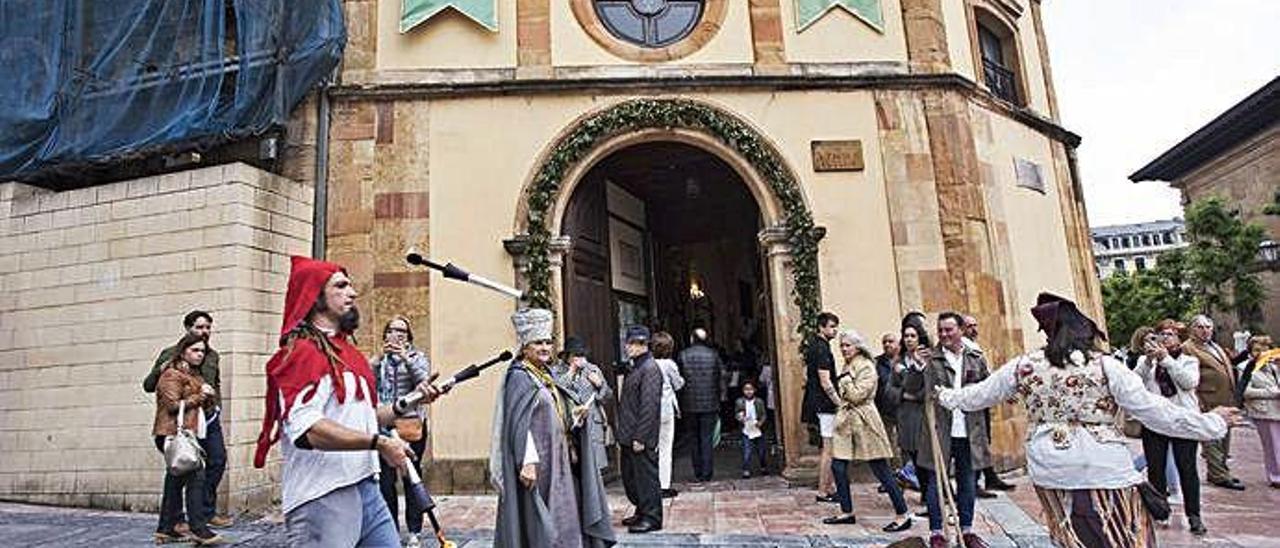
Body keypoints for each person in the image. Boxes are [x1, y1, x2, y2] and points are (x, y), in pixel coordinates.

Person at [939, 293, 1238, 548]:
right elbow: (1156, 412)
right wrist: (1213, 423)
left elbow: (977, 396)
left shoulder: (1023, 366)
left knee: (1071, 537)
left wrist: (944, 396)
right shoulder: (1107, 366)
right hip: (1104, 469)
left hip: (1051, 468)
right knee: (1122, 537)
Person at [251, 256, 442, 547]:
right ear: (315, 298)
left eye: (351, 285)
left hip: (366, 486)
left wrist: (413, 400)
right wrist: (379, 443)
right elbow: (308, 430)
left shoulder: (348, 354)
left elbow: (366, 417)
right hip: (322, 494)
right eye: (340, 286)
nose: (353, 293)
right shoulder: (302, 354)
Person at [490, 309, 615, 548]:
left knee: (565, 514)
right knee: (544, 519)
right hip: (538, 463)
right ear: (525, 346)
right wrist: (526, 462)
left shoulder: (546, 374)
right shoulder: (519, 377)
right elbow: (518, 424)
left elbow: (556, 410)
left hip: (559, 459)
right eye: (538, 342)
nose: (545, 347)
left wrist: (575, 416)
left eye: (548, 342)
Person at [902, 312, 992, 548]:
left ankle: (967, 530)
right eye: (940, 330)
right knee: (934, 480)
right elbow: (911, 390)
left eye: (948, 330)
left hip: (969, 430)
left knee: (967, 480)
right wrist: (916, 366)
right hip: (939, 430)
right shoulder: (931, 359)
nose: (943, 334)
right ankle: (936, 532)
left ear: (961, 330)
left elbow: (987, 388)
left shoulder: (975, 357)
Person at [142, 310, 231, 529]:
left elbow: (214, 383)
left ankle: (204, 512)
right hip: (183, 420)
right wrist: (163, 369)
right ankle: (177, 521)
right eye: (200, 327)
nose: (205, 332)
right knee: (182, 468)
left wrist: (215, 403)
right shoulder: (170, 354)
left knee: (217, 460)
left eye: (208, 327)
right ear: (188, 329)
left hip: (208, 418)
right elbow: (149, 385)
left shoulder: (212, 355)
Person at [822, 330, 913, 532]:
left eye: (848, 345)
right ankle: (846, 511)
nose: (844, 349)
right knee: (838, 466)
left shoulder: (866, 366)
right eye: (842, 345)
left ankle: (903, 514)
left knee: (881, 469)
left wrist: (844, 380)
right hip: (847, 420)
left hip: (865, 420)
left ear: (857, 346)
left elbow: (856, 395)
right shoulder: (849, 365)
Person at [1133, 319, 1206, 534]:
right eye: (1161, 334)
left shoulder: (1188, 361)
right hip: (1156, 420)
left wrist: (1167, 361)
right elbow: (1134, 381)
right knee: (1156, 468)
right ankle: (1160, 511)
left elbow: (1188, 383)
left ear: (1179, 339)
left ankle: (1194, 515)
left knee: (1187, 468)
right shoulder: (1147, 363)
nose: (1165, 338)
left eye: (1170, 334)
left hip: (1182, 420)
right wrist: (1148, 361)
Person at [152, 333, 225, 545]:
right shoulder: (171, 374)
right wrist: (201, 395)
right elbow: (173, 405)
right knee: (196, 478)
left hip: (185, 433)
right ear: (183, 351)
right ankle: (198, 529)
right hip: (173, 433)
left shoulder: (193, 374)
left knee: (174, 481)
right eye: (195, 350)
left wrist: (207, 396)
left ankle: (166, 529)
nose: (200, 354)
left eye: (202, 351)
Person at [370, 316, 432, 547]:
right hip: (385, 427)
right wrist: (377, 359)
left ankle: (414, 531)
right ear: (385, 334)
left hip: (411, 425)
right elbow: (367, 384)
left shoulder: (417, 357)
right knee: (385, 482)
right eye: (393, 330)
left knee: (411, 477)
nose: (397, 335)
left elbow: (423, 383)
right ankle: (391, 530)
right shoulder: (380, 360)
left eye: (403, 332)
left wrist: (405, 358)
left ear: (409, 337)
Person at [1183, 314, 1245, 491]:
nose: (1205, 331)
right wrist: (1197, 400)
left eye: (1208, 327)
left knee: (1224, 437)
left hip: (1225, 398)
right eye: (1200, 327)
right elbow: (1190, 376)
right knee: (1211, 439)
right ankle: (1218, 475)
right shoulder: (1188, 348)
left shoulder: (1215, 347)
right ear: (1192, 329)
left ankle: (1220, 470)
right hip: (1207, 399)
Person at [961, 314, 1016, 496]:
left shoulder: (975, 348)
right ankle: (975, 483)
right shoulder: (963, 349)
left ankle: (989, 476)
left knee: (984, 440)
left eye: (975, 325)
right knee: (975, 443)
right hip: (971, 402)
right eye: (969, 326)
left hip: (981, 400)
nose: (974, 329)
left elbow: (988, 374)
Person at [617, 326, 664, 533]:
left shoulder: (650, 368)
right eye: (631, 343)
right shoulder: (636, 367)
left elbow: (649, 406)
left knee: (647, 479)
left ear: (645, 345)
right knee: (632, 478)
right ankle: (641, 510)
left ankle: (652, 517)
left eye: (638, 343)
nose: (632, 347)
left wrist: (641, 437)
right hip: (628, 434)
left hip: (640, 436)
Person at [552, 336, 615, 475]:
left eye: (581, 355)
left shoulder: (592, 369)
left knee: (594, 467)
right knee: (572, 465)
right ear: (567, 356)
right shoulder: (557, 371)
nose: (579, 358)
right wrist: (571, 371)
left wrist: (600, 385)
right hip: (569, 424)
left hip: (591, 422)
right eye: (575, 355)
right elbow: (557, 390)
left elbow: (607, 396)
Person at [887, 318, 930, 493]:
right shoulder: (899, 361)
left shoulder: (928, 359)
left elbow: (928, 388)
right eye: (906, 336)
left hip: (923, 415)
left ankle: (932, 497)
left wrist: (915, 392)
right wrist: (903, 395)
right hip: (905, 416)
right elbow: (889, 390)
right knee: (911, 456)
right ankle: (925, 495)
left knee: (925, 460)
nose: (909, 339)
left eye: (913, 335)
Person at [802, 311, 841, 503]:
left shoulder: (813, 346)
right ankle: (823, 491)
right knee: (828, 449)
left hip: (816, 402)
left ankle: (831, 486)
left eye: (835, 327)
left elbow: (805, 374)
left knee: (827, 448)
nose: (834, 330)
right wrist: (839, 403)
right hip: (824, 405)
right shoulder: (822, 349)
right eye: (832, 326)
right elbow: (825, 382)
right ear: (821, 327)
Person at [677, 327, 722, 482]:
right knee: (707, 438)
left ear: (692, 338)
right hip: (710, 403)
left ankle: (697, 471)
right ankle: (707, 472)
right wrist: (720, 399)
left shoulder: (683, 355)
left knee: (693, 438)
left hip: (689, 404)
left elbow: (680, 382)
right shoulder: (714, 355)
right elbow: (719, 378)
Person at [1240, 335, 1280, 488]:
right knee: (1272, 445)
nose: (1261, 353)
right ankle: (1275, 476)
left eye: (1265, 350)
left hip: (1277, 409)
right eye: (1257, 350)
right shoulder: (1248, 368)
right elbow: (1245, 391)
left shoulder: (1273, 366)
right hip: (1264, 411)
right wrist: (1270, 392)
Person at [650, 331, 684, 497]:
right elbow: (678, 384)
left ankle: (651, 482)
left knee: (652, 447)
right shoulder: (669, 364)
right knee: (665, 447)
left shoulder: (647, 363)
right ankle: (664, 485)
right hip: (666, 409)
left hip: (650, 410)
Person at [874, 332, 901, 464]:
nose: (887, 344)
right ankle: (892, 475)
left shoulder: (904, 360)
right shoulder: (877, 362)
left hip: (903, 409)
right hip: (884, 410)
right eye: (885, 342)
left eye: (890, 341)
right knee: (887, 444)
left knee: (904, 444)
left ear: (898, 344)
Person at [735, 379, 768, 478]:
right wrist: (740, 418)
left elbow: (763, 414)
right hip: (746, 429)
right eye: (746, 389)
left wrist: (760, 423)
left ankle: (763, 466)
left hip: (758, 429)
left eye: (751, 389)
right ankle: (746, 470)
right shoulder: (739, 402)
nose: (748, 391)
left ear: (755, 390)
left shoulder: (759, 402)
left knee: (761, 451)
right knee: (747, 451)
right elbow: (737, 414)